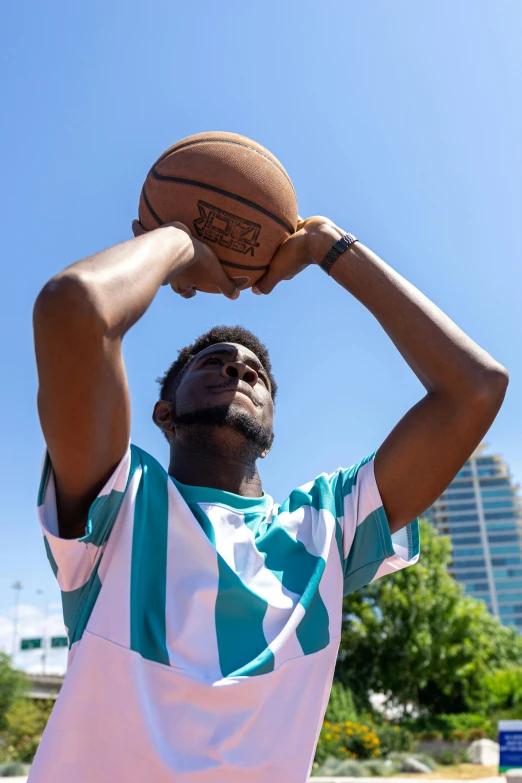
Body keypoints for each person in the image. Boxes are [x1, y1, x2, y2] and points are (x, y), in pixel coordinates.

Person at [30, 215, 508, 782]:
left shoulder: (326, 523)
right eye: (214, 364)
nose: (238, 368)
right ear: (164, 414)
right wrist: (184, 241)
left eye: (255, 373)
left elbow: (476, 388)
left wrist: (332, 248)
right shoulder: (119, 500)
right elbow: (75, 307)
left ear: (272, 431)